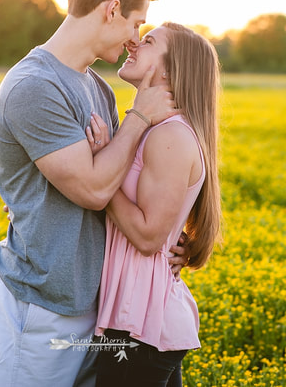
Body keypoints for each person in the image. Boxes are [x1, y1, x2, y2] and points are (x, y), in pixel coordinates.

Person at [0, 0, 187, 387]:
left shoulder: (96, 86)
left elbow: (116, 179)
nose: (136, 38)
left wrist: (176, 239)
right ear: (111, 10)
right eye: (136, 23)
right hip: (42, 305)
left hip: (95, 306)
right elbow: (95, 191)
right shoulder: (34, 86)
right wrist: (139, 118)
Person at [87, 22, 222, 387]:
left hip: (142, 326)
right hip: (136, 319)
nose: (133, 44)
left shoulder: (170, 136)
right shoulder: (150, 128)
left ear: (170, 69)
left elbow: (147, 237)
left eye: (147, 41)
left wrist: (98, 174)